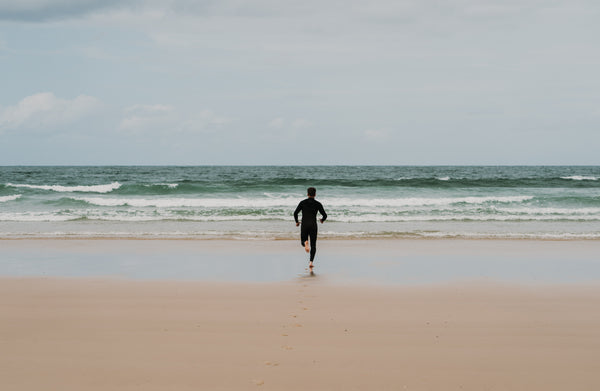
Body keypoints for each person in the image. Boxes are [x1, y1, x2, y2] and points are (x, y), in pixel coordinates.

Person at [293, 187, 327, 269]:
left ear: (307, 194)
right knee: (313, 245)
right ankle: (311, 262)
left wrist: (297, 222)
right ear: (315, 194)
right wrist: (322, 220)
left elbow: (295, 213)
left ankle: (305, 242)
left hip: (304, 224)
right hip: (313, 225)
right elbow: (325, 215)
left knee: (303, 241)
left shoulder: (302, 202)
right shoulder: (318, 204)